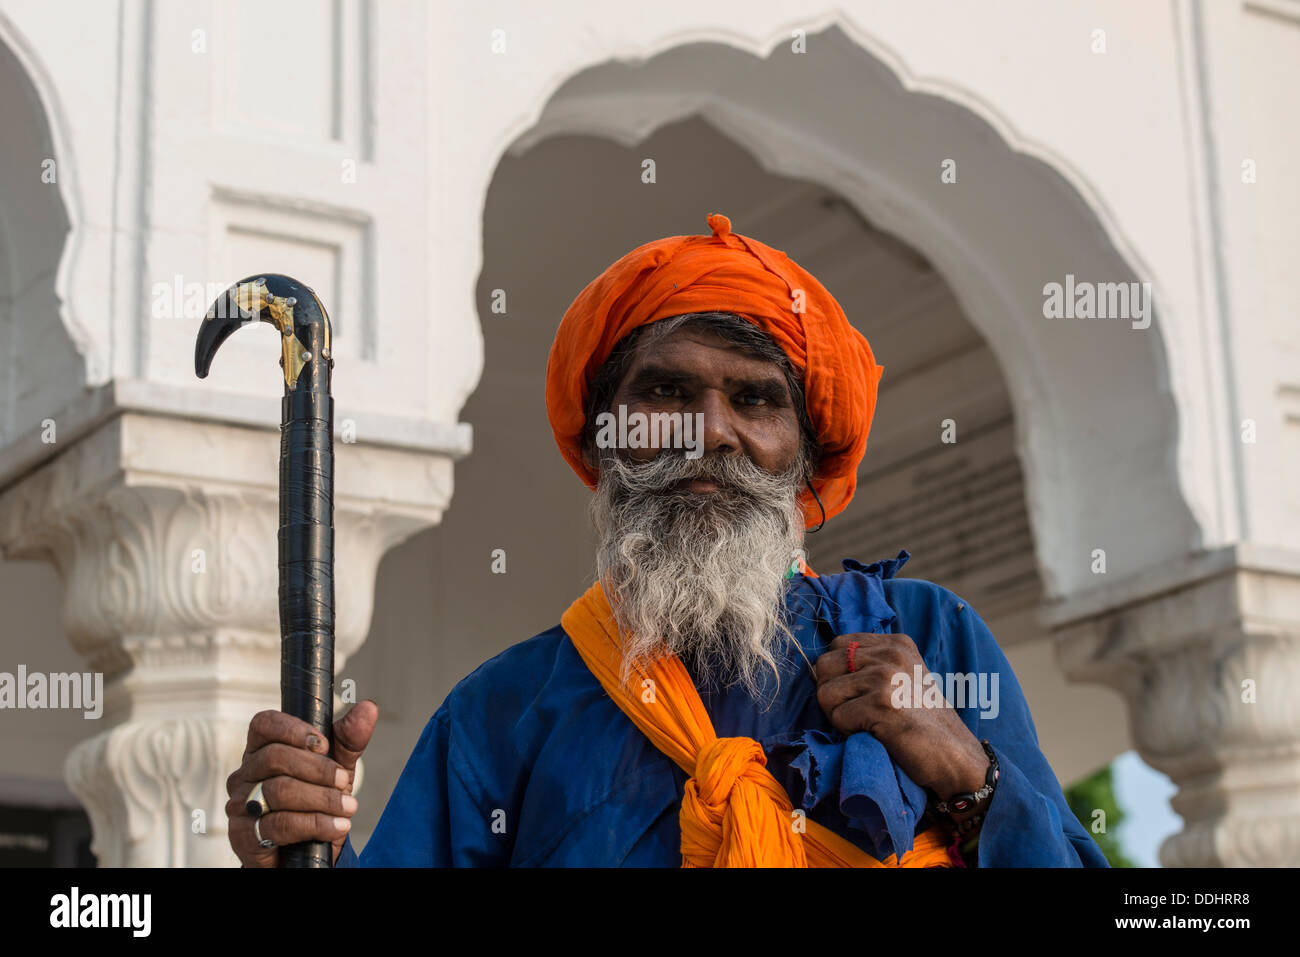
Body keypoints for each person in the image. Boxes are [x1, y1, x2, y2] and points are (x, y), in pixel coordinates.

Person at [225, 213, 1109, 868]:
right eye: (666, 393)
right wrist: (299, 854)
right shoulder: (503, 712)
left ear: (802, 449)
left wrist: (967, 771)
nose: (711, 432)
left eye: (756, 398)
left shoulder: (930, 637)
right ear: (608, 436)